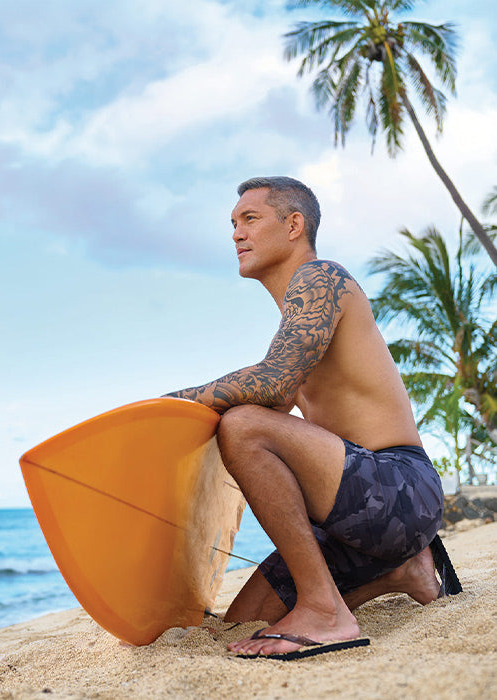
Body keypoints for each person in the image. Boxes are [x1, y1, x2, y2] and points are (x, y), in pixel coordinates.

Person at [165, 176, 456, 660]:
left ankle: (326, 610)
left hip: (399, 489)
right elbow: (276, 400)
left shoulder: (322, 279)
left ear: (294, 224)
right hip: (354, 515)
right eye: (233, 224)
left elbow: (270, 386)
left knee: (243, 424)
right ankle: (403, 572)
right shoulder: (297, 324)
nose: (236, 233)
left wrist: (164, 404)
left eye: (250, 219)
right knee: (247, 621)